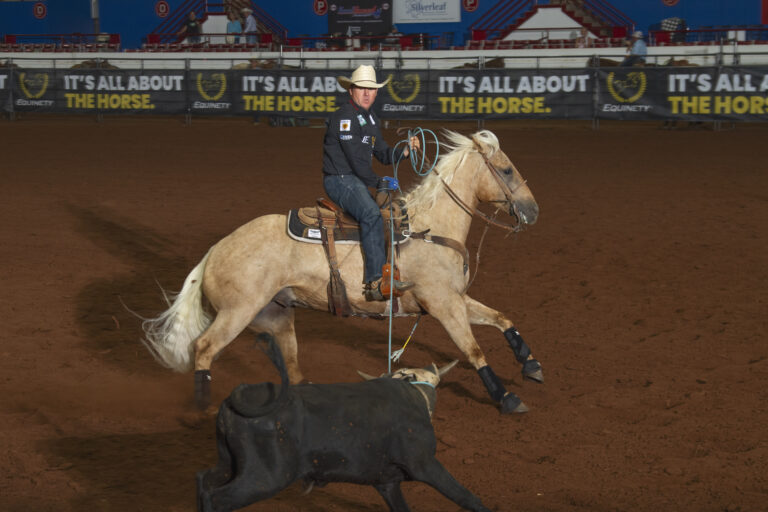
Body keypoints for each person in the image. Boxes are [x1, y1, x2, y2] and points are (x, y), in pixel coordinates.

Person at [322, 65, 420, 302]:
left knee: (386, 213)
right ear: (352, 90)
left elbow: (384, 153)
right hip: (340, 179)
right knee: (371, 214)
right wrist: (378, 181)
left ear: (376, 93)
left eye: (371, 89)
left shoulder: (371, 118)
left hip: (354, 179)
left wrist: (404, 151)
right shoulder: (344, 117)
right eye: (362, 88)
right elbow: (356, 159)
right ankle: (376, 281)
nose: (367, 93)